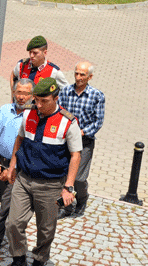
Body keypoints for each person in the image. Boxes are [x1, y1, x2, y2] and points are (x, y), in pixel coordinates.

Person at [1, 78, 82, 266]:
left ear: (56, 98)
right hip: (24, 179)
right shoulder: (28, 113)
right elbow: (20, 139)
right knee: (13, 223)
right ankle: (19, 262)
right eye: (36, 100)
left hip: (51, 184)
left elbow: (75, 156)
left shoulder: (68, 122)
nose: (38, 105)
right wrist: (12, 165)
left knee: (46, 230)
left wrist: (69, 187)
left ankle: (38, 264)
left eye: (43, 101)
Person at [0, 78, 35, 256]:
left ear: (32, 95)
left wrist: (11, 168)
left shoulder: (33, 116)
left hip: (18, 168)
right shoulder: (5, 110)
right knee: (2, 198)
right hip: (1, 163)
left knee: (5, 204)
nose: (21, 97)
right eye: (18, 92)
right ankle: (13, 224)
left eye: (26, 94)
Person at [57, 61, 105, 218]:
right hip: (65, 140)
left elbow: (98, 122)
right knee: (64, 174)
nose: (78, 77)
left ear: (90, 77)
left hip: (84, 142)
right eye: (76, 73)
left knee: (78, 177)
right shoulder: (65, 92)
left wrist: (82, 132)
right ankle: (67, 205)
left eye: (82, 74)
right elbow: (59, 113)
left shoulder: (97, 96)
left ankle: (82, 198)